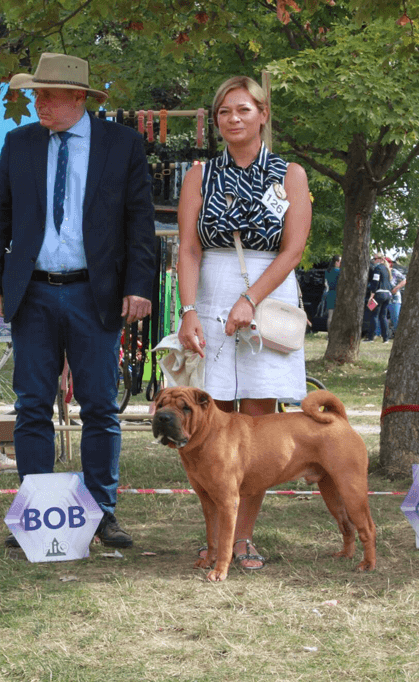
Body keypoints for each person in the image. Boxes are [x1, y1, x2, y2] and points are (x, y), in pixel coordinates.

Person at [0, 53, 156, 549]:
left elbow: (140, 223)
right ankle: (38, 512)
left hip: (94, 294)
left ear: (78, 98)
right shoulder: (19, 144)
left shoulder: (123, 146)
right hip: (32, 293)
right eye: (35, 93)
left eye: (47, 95)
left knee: (100, 406)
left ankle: (102, 514)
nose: (38, 103)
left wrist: (139, 286)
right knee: (31, 405)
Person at [176, 75, 312, 570]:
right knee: (210, 418)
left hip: (269, 287)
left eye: (242, 109)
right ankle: (214, 538)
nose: (232, 119)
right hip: (210, 286)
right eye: (223, 113)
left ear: (262, 114)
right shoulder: (199, 174)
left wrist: (251, 299)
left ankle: (243, 538)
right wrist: (188, 309)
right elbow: (188, 247)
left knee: (256, 422)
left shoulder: (289, 173)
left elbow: (294, 247)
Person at [365, 253, 393, 343]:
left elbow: (375, 282)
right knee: (383, 316)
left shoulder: (377, 268)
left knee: (374, 315)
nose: (374, 260)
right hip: (387, 295)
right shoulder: (386, 269)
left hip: (379, 294)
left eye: (375, 258)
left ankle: (370, 338)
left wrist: (372, 294)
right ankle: (386, 339)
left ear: (380, 259)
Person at [388, 258, 406, 335]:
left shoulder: (394, 272)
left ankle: (398, 334)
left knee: (395, 317)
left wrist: (396, 288)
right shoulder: (381, 271)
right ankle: (379, 334)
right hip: (385, 298)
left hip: (394, 299)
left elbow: (404, 280)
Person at [324, 255, 341, 327]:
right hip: (337, 294)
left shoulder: (327, 271)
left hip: (330, 294)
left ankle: (329, 333)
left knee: (330, 316)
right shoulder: (339, 271)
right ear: (336, 262)